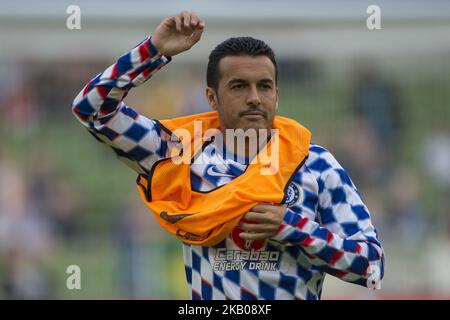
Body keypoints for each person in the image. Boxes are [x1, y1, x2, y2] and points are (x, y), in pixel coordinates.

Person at [71, 12, 385, 300]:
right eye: (238, 86)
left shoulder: (317, 166)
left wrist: (291, 227)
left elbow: (372, 267)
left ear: (277, 94)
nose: (254, 98)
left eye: (264, 86)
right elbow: (91, 109)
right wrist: (153, 51)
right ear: (212, 97)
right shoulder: (178, 154)